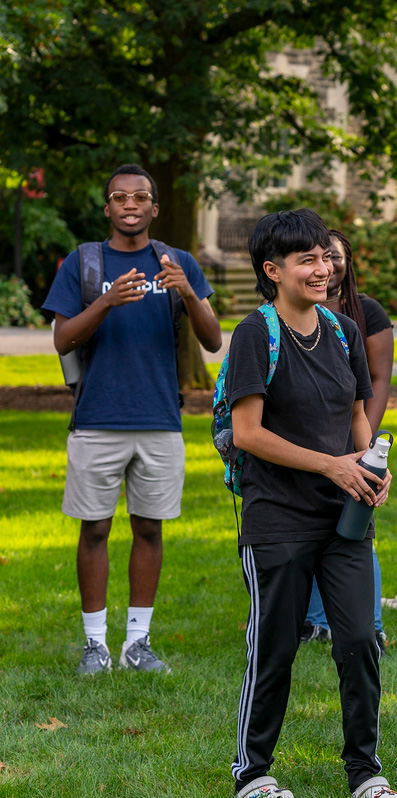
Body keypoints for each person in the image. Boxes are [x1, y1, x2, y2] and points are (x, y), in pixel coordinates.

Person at [224, 209, 397, 798]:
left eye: (325, 258)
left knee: (359, 641)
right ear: (273, 270)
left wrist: (370, 465)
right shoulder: (256, 333)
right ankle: (253, 774)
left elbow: (356, 414)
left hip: (344, 518)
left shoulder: (344, 331)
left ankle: (366, 774)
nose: (323, 269)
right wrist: (330, 465)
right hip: (276, 518)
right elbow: (247, 432)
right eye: (307, 260)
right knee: (273, 647)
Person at [42, 163, 222, 675]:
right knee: (94, 529)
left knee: (149, 528)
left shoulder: (177, 260)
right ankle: (95, 644)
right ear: (108, 208)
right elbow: (62, 339)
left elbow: (212, 340)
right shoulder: (84, 263)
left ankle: (137, 644)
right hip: (97, 418)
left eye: (140, 196)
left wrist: (187, 290)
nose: (130, 204)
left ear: (154, 208)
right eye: (119, 197)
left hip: (160, 419)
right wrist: (107, 300)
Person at [302, 229, 394, 652]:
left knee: (356, 527)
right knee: (315, 525)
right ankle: (315, 620)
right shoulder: (287, 313)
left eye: (335, 257)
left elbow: (376, 382)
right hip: (310, 438)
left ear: (347, 261)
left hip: (355, 440)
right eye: (320, 257)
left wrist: (367, 448)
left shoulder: (366, 313)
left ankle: (369, 623)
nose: (329, 265)